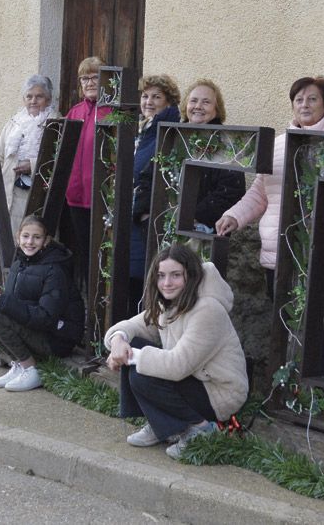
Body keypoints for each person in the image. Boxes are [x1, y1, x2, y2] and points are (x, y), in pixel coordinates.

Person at [217, 76, 324, 381]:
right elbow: (259, 193)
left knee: (323, 322)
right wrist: (234, 216)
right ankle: (288, 384)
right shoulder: (279, 145)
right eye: (299, 99)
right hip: (279, 252)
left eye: (312, 99)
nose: (305, 105)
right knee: (284, 319)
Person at [104, 244, 248, 460]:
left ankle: (201, 429)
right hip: (194, 379)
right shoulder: (170, 303)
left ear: (190, 275)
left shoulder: (208, 310)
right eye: (161, 276)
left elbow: (177, 366)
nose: (167, 283)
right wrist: (118, 341)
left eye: (175, 275)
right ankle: (163, 425)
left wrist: (129, 355)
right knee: (135, 349)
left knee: (140, 370)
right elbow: (136, 326)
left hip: (219, 392)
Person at [0, 216, 84, 392]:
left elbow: (45, 318)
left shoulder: (55, 270)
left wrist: (3, 303)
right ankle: (18, 364)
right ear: (18, 237)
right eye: (25, 236)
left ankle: (31, 369)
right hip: (36, 330)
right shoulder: (19, 263)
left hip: (57, 339)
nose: (30, 242)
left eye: (36, 237)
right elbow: (20, 301)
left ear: (46, 240)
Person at [129, 74, 182, 302]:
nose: (148, 101)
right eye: (145, 96)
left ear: (168, 102)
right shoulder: (145, 130)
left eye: (156, 97)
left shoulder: (169, 131)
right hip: (133, 215)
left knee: (148, 278)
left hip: (150, 218)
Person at [63, 56, 111, 294]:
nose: (90, 82)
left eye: (95, 77)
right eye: (85, 78)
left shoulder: (113, 112)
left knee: (103, 254)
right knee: (83, 252)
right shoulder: (74, 112)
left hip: (101, 198)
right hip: (75, 197)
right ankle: (87, 305)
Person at [177, 79, 245, 232]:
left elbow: (231, 191)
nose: (198, 106)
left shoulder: (227, 145)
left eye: (206, 102)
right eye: (193, 101)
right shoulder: (172, 137)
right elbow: (152, 176)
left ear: (217, 109)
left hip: (204, 231)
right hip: (163, 229)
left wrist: (191, 217)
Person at [0, 74, 58, 233]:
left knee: (35, 234)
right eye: (29, 96)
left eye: (39, 97)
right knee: (11, 235)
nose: (33, 101)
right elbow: (0, 153)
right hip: (11, 188)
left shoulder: (55, 123)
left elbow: (58, 157)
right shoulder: (13, 122)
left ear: (49, 99)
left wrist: (31, 165)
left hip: (39, 189)